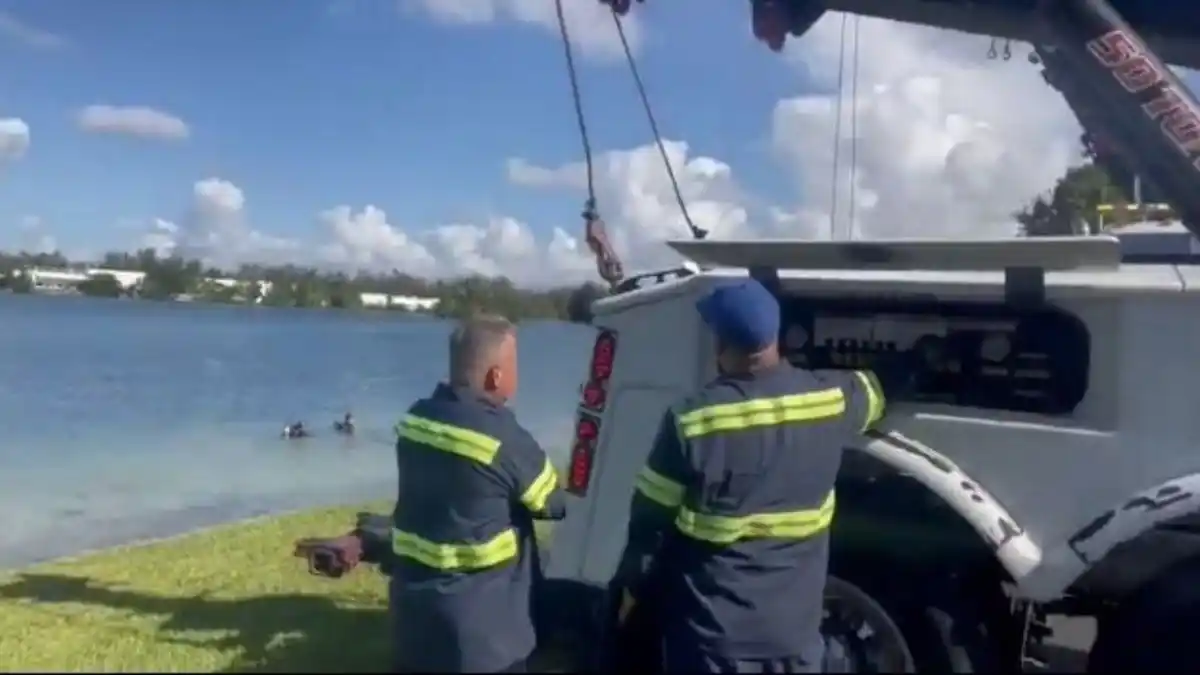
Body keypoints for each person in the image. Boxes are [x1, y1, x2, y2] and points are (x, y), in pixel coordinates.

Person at [614, 278, 892, 674]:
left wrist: (631, 599)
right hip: (794, 638)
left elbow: (648, 529)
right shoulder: (830, 400)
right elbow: (877, 391)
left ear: (721, 344)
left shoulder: (692, 422)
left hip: (714, 639)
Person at [390, 314, 567, 673]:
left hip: (413, 617)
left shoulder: (414, 420)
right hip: (482, 636)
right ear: (495, 376)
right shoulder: (502, 436)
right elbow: (552, 503)